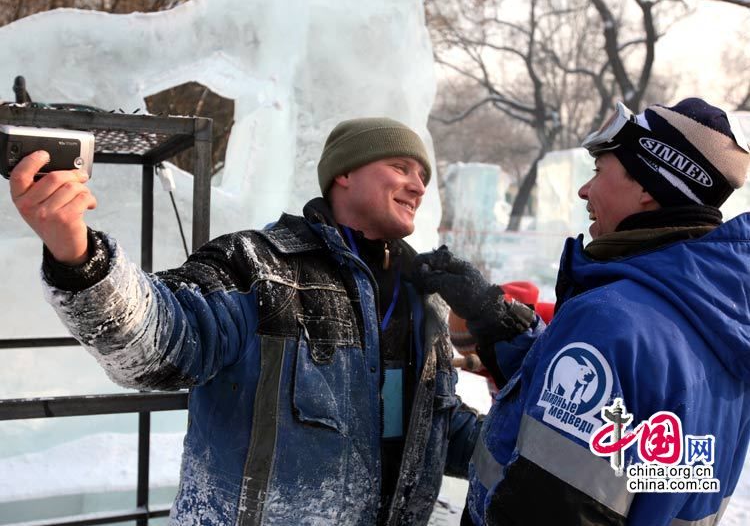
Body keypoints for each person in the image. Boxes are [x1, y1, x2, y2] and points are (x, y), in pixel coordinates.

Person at [8, 117, 482, 525]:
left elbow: (436, 425)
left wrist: (531, 416)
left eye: (422, 174)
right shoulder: (257, 265)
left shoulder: (424, 299)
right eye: (400, 167)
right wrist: (78, 255)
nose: (419, 186)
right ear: (345, 173)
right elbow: (160, 342)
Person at [413, 98, 750, 525]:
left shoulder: (610, 323)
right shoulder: (716, 321)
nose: (584, 190)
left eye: (599, 171)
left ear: (648, 187)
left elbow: (553, 504)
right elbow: (609, 411)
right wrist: (499, 322)